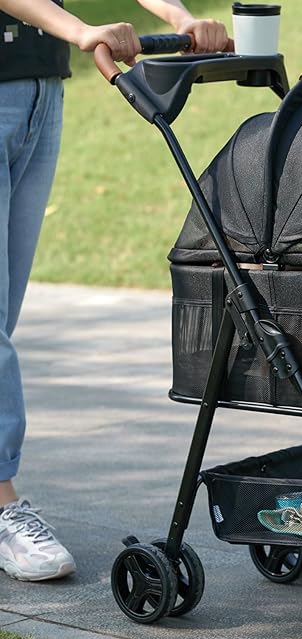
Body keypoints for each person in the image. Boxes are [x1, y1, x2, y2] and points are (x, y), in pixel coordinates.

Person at [0, 0, 228, 581]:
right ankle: (2, 506)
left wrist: (179, 18)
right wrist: (81, 30)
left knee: (3, 319)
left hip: (39, 95)